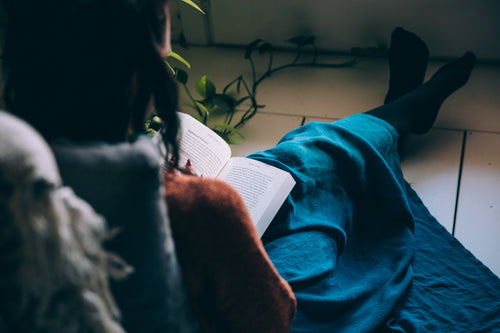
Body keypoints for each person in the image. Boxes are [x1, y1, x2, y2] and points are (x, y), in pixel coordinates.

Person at [2, 0, 500, 330]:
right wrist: (204, 208)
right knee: (310, 158)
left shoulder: (18, 178)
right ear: (151, 44)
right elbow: (273, 315)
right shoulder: (192, 206)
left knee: (295, 164)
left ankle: (399, 112)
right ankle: (404, 111)